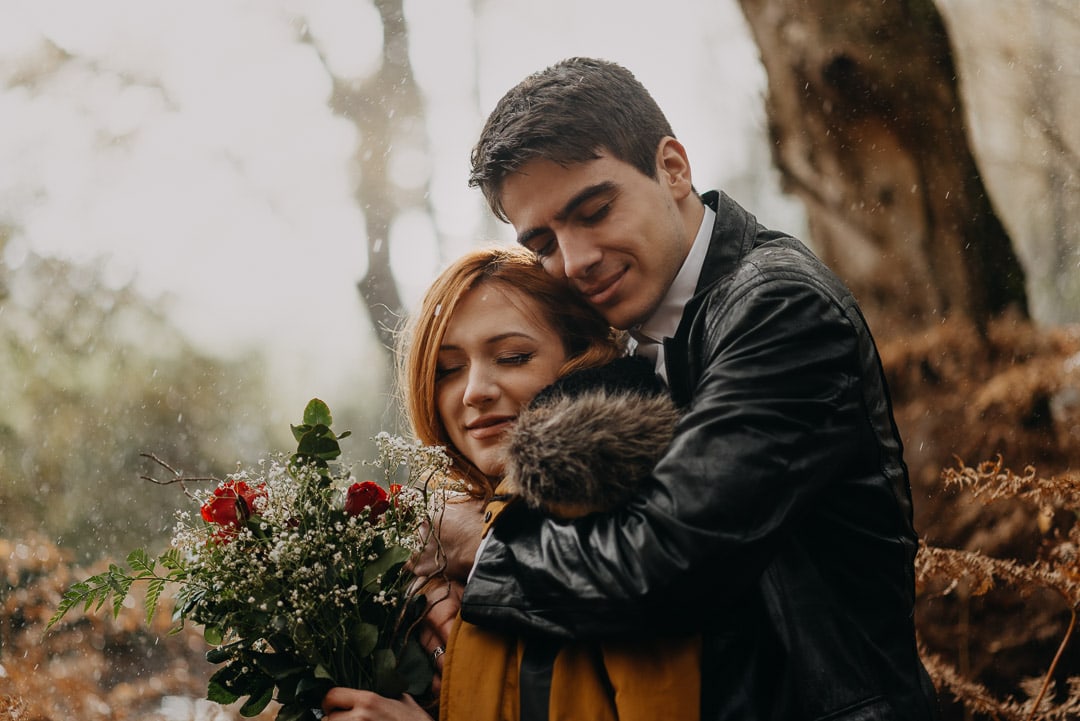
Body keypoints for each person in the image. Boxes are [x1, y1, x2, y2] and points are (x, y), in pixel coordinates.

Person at [437, 57, 942, 721]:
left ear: (673, 168)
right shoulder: (630, 334)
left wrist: (478, 549)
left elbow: (666, 564)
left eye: (594, 211)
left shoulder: (779, 308)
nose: (576, 260)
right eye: (545, 244)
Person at [321, 246, 700, 721]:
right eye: (448, 369)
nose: (475, 391)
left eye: (513, 357)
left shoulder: (624, 528)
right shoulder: (439, 546)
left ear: (580, 357)